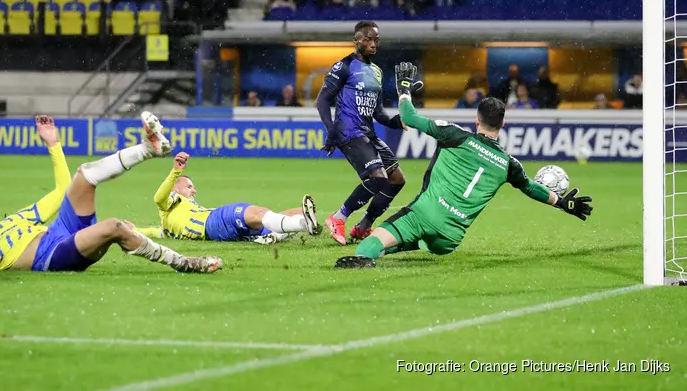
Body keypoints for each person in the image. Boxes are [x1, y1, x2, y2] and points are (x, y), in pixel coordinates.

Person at [335, 63, 593, 268]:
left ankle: (366, 258)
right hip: (450, 238)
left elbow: (410, 117)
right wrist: (561, 203)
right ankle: (391, 247)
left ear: (476, 119)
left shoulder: (455, 135)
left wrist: (404, 90)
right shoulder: (508, 164)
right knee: (413, 240)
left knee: (372, 242)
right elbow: (530, 187)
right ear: (502, 124)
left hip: (424, 215)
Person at [0, 113, 222, 274]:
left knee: (84, 175)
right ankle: (185, 263)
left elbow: (63, 191)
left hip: (58, 231)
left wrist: (53, 144)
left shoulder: (15, 219)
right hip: (51, 255)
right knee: (114, 227)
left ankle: (149, 149)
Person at [316, 21, 422, 245]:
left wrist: (398, 121)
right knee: (378, 178)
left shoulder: (377, 72)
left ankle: (363, 226)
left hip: (368, 133)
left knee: (396, 180)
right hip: (349, 131)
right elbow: (322, 100)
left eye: (376, 40)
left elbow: (379, 114)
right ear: (356, 41)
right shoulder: (343, 66)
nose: (373, 44)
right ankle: (338, 218)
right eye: (368, 39)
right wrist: (331, 130)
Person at [137, 152, 319, 244]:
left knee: (285, 214)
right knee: (258, 212)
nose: (194, 191)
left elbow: (154, 232)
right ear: (175, 189)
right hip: (213, 222)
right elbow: (158, 197)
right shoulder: (170, 202)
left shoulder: (168, 226)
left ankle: (305, 224)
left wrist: (133, 229)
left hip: (216, 229)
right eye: (189, 186)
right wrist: (176, 171)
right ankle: (301, 226)